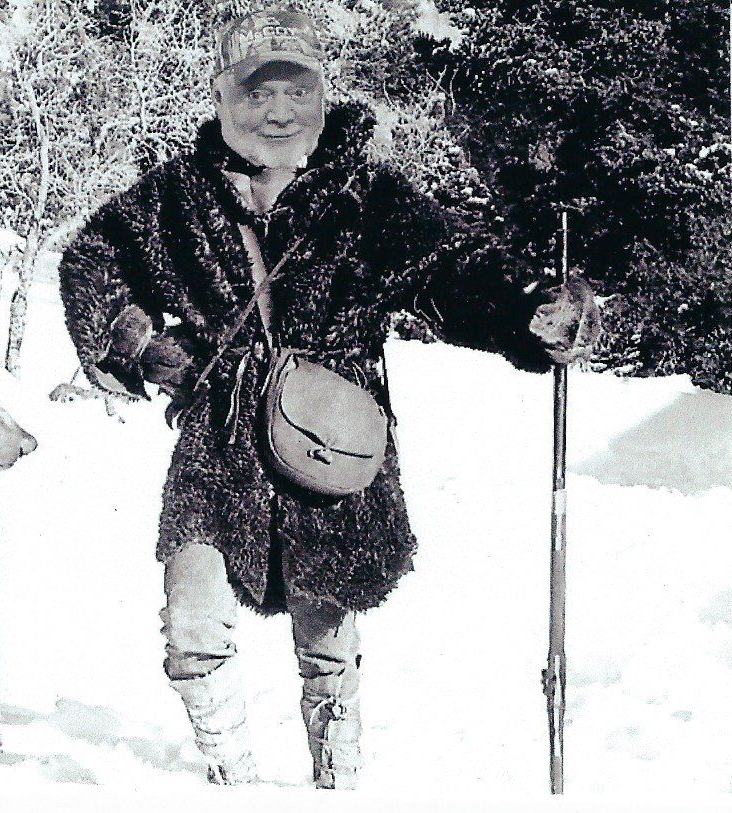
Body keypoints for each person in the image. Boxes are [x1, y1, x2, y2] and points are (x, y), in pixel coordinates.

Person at [57, 8, 600, 789]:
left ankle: (338, 782)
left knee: (327, 624)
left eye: (296, 90)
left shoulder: (369, 195)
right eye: (255, 91)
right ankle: (229, 778)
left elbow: (450, 272)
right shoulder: (174, 196)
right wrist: (140, 347)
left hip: (334, 432)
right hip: (218, 436)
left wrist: (530, 309)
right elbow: (94, 259)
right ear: (220, 96)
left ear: (320, 96)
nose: (277, 110)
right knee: (192, 620)